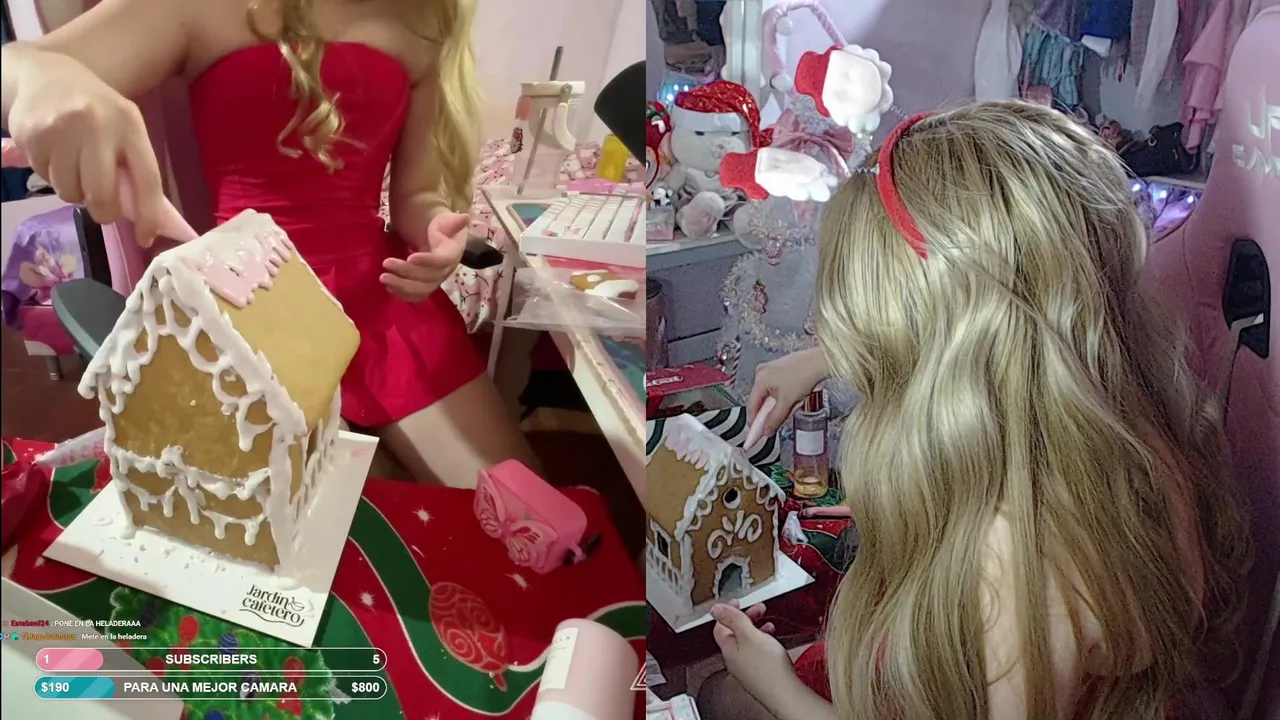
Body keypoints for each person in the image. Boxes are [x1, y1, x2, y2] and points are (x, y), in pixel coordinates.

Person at [703, 102, 1250, 719]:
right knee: (724, 692)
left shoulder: (1012, 559)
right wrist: (823, 359)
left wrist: (779, 688)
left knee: (724, 695)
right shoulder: (1129, 424)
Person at [0, 0, 541, 487]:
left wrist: (435, 228)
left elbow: (416, 194)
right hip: (244, 303)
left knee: (528, 516)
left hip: (381, 301)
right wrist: (45, 78)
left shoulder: (421, 16)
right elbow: (14, 65)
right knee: (299, 530)